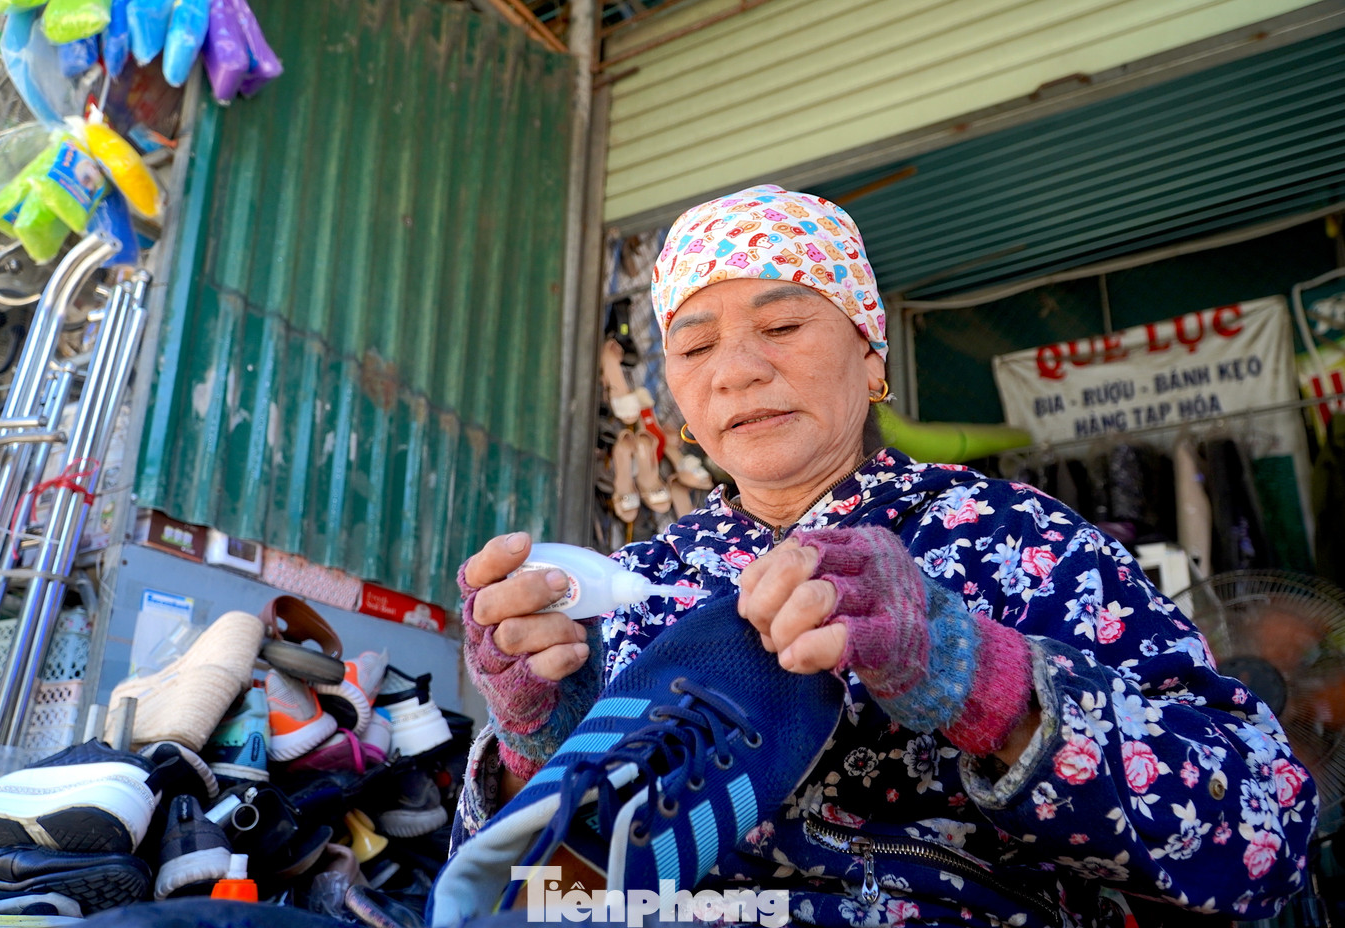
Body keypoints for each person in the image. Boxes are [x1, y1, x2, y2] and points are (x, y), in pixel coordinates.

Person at [448, 185, 1317, 925]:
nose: (737, 370)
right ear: (677, 391)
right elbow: (522, 895)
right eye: (697, 344)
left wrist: (980, 677)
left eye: (782, 324)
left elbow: (1265, 832)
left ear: (871, 356)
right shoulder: (639, 587)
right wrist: (532, 740)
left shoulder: (1014, 539)